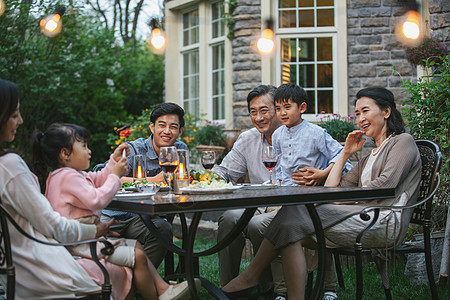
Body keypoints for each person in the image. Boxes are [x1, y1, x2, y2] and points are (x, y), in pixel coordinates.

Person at [222, 86, 421, 300]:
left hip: (383, 221)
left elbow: (384, 187)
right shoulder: (369, 156)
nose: (360, 118)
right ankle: (278, 290)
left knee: (291, 218)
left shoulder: (403, 142)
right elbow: (334, 188)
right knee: (291, 227)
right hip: (363, 216)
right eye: (357, 114)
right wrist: (344, 153)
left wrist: (339, 204)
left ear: (386, 112)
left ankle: (250, 276)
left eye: (365, 111)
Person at [31, 122, 192, 300]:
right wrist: (115, 175)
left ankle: (163, 290)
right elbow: (96, 199)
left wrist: (113, 161)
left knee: (137, 249)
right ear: (65, 154)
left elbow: (98, 179)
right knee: (137, 254)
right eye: (84, 146)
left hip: (86, 241)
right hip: (79, 247)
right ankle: (159, 294)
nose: (89, 151)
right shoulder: (66, 177)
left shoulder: (74, 174)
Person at [0, 78, 127, 298]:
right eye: (13, 115)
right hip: (42, 270)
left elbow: (93, 178)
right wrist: (94, 231)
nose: (20, 121)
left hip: (13, 270)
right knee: (122, 267)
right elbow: (53, 227)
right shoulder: (9, 166)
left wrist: (110, 165)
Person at [102, 102, 188, 268]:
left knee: (163, 229)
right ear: (152, 127)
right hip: (114, 216)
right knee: (104, 258)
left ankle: (138, 285)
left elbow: (183, 182)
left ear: (180, 131)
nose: (167, 131)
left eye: (173, 127)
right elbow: (105, 178)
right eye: (161, 125)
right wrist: (151, 181)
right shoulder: (135, 149)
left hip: (143, 219)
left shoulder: (179, 150)